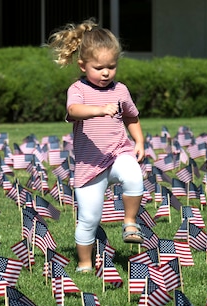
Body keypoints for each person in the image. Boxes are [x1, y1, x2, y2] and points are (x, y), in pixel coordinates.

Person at [48, 19, 146, 273]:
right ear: (83, 65)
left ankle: (130, 222)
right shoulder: (78, 89)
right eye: (99, 67)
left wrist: (139, 141)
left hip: (117, 153)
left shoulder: (120, 90)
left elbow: (131, 117)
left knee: (135, 176)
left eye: (111, 67)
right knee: (89, 219)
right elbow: (73, 110)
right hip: (90, 164)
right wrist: (100, 109)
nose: (106, 73)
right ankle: (84, 263)